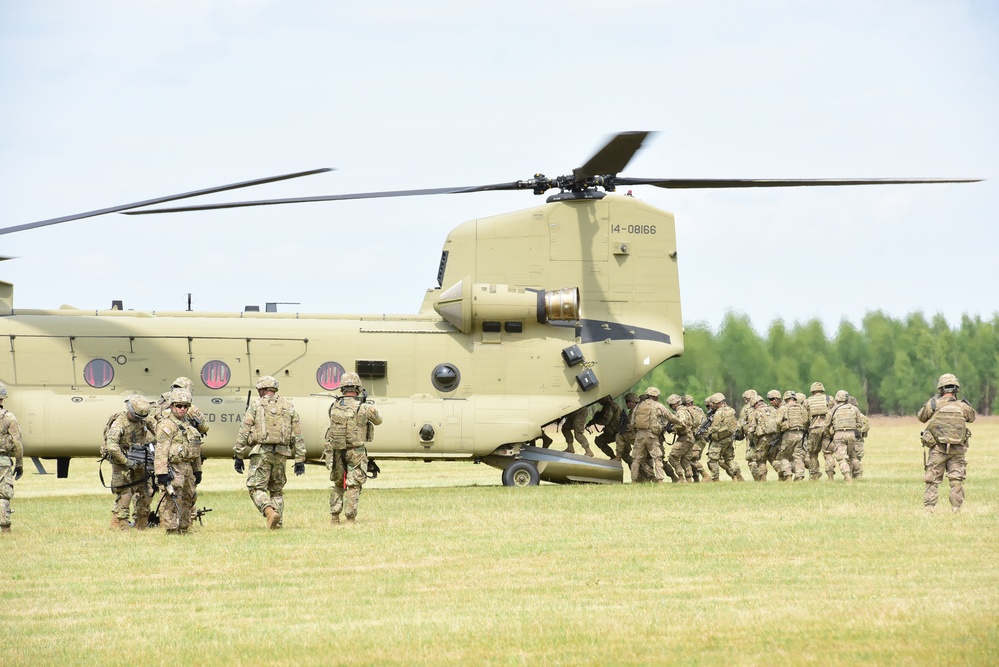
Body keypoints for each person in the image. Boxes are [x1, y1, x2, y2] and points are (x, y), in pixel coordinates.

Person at [233, 376, 306, 530]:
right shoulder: (288, 406)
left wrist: (239, 454)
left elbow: (244, 430)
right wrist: (300, 459)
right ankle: (277, 525)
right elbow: (298, 434)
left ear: (263, 389)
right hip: (282, 453)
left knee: (256, 488)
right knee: (277, 490)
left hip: (262, 453)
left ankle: (269, 511)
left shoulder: (256, 405)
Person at [326, 372, 382, 524]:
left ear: (342, 389)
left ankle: (334, 517)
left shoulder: (334, 406)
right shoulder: (364, 407)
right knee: (353, 485)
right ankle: (350, 519)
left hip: (337, 451)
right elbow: (378, 420)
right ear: (358, 389)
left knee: (338, 485)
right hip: (356, 451)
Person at [918, 373, 976, 513]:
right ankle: (956, 509)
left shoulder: (933, 404)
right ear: (956, 389)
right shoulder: (962, 406)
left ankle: (929, 509)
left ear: (941, 389)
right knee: (956, 481)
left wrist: (933, 402)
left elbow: (921, 417)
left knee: (932, 480)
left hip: (938, 449)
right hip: (957, 450)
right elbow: (972, 418)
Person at [102, 395, 156, 530]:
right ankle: (122, 525)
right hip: (122, 462)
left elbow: (158, 433)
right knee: (125, 493)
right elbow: (112, 446)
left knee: (147, 490)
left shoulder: (145, 420)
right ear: (130, 411)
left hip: (140, 460)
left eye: (141, 418)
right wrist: (127, 461)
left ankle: (142, 523)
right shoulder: (119, 423)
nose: (138, 420)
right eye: (136, 417)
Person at [153, 389, 203, 535]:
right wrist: (161, 473)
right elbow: (161, 451)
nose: (182, 409)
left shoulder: (188, 424)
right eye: (179, 406)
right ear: (172, 405)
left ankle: (184, 527)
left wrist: (197, 469)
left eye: (185, 406)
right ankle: (172, 529)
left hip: (187, 467)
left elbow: (195, 448)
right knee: (173, 499)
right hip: (173, 467)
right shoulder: (166, 425)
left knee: (189, 497)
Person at [629, 387, 669, 483]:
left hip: (639, 435)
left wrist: (636, 434)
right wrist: (680, 422)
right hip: (652, 436)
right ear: (656, 396)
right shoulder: (658, 405)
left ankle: (634, 481)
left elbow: (632, 423)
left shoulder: (638, 406)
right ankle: (660, 480)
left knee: (636, 459)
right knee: (657, 458)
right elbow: (669, 416)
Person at [823, 391, 863, 482]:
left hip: (839, 435)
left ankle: (847, 475)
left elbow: (826, 426)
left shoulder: (832, 410)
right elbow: (860, 424)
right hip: (851, 434)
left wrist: (831, 435)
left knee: (841, 458)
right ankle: (857, 475)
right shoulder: (854, 409)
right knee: (852, 456)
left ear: (836, 398)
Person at [0, 383, 24, 534]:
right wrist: (19, 463)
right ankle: (4, 529)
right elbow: (17, 442)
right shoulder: (9, 417)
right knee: (3, 495)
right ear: (2, 398)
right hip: (2, 460)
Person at [705, 393, 744, 482]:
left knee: (712, 459)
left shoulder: (719, 413)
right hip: (729, 439)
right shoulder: (731, 410)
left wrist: (708, 430)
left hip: (719, 440)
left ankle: (715, 479)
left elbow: (715, 428)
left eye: (713, 404)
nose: (712, 406)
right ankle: (738, 476)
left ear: (717, 403)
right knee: (730, 459)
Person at [775, 390, 809, 481]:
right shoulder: (801, 407)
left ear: (785, 399)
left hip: (788, 434)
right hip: (800, 434)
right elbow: (806, 420)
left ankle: (788, 475)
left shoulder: (783, 408)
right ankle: (799, 476)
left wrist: (779, 431)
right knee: (798, 456)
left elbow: (778, 422)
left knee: (784, 456)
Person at [804, 382, 835, 481]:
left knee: (813, 453)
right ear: (822, 390)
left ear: (812, 391)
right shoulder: (830, 399)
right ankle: (830, 476)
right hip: (827, 428)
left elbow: (805, 419)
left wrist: (807, 428)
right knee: (828, 453)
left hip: (814, 428)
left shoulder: (807, 401)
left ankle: (814, 475)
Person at [747, 394, 779, 481]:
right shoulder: (773, 410)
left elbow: (751, 429)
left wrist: (752, 441)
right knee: (774, 458)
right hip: (775, 438)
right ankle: (783, 473)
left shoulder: (755, 413)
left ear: (755, 404)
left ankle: (763, 479)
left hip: (763, 439)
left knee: (760, 460)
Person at [663, 394, 694, 482]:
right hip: (690, 437)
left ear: (677, 403)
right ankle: (689, 479)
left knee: (672, 457)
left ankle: (680, 477)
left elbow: (682, 424)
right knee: (685, 460)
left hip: (684, 437)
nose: (672, 407)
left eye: (672, 405)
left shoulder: (680, 412)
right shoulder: (687, 410)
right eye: (670, 405)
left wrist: (672, 428)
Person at [682, 394, 710, 482]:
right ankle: (696, 479)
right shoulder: (699, 410)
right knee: (693, 459)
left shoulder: (687, 411)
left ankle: (705, 475)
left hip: (697, 438)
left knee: (690, 458)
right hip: (701, 439)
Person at [613, 393, 640, 468]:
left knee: (619, 435)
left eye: (628, 401)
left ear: (632, 402)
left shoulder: (637, 411)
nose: (627, 404)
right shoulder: (634, 410)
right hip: (637, 435)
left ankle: (618, 458)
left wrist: (627, 426)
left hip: (637, 436)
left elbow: (634, 425)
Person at [847, 396, 870, 479]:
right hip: (857, 441)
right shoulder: (861, 415)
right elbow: (867, 427)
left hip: (857, 440)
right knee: (854, 458)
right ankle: (856, 475)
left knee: (854, 458)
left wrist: (858, 431)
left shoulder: (860, 416)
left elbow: (866, 427)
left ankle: (856, 475)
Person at [765, 389, 784, 478]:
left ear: (777, 399)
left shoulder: (783, 408)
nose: (771, 402)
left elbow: (778, 423)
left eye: (772, 399)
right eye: (770, 400)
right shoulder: (777, 409)